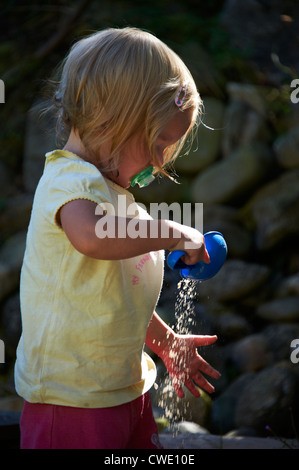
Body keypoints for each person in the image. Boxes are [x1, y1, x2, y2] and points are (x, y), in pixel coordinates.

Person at [15, 27, 220, 449]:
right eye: (159, 143)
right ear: (114, 120)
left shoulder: (118, 200)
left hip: (125, 389)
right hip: (71, 400)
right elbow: (92, 237)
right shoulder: (68, 180)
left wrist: (167, 344)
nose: (161, 162)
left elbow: (119, 299)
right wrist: (173, 232)